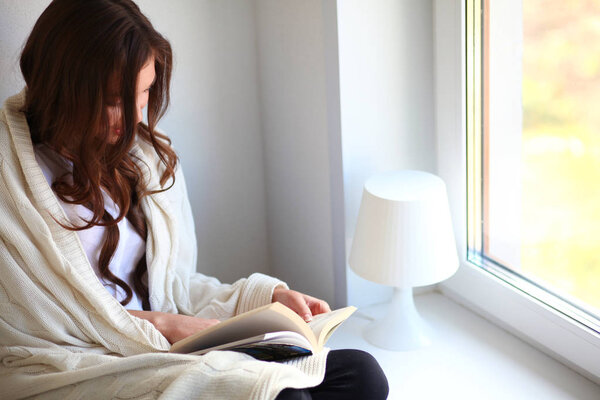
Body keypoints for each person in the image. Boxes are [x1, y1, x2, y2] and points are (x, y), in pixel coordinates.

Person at [0, 0, 388, 399]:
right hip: (90, 366)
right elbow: (35, 331)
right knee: (284, 395)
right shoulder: (9, 184)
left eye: (145, 92)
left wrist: (265, 298)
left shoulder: (144, 160)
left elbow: (176, 288)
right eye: (115, 100)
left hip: (170, 343)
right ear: (64, 88)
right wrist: (163, 325)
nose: (135, 117)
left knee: (363, 374)